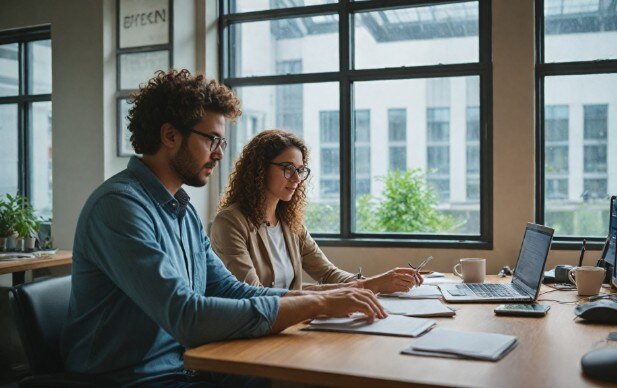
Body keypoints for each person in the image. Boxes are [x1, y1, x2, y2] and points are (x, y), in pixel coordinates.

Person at [60, 70, 386, 386]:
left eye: (222, 142)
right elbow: (187, 316)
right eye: (212, 139)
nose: (219, 154)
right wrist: (317, 304)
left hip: (185, 367)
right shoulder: (120, 208)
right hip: (133, 379)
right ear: (170, 135)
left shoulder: (182, 213)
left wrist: (331, 295)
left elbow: (233, 290)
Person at [210, 129, 423, 293]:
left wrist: (381, 283)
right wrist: (371, 285)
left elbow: (328, 273)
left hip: (287, 326)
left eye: (300, 170)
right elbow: (255, 295)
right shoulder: (230, 222)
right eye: (288, 168)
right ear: (259, 169)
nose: (296, 179)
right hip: (252, 335)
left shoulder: (289, 223)